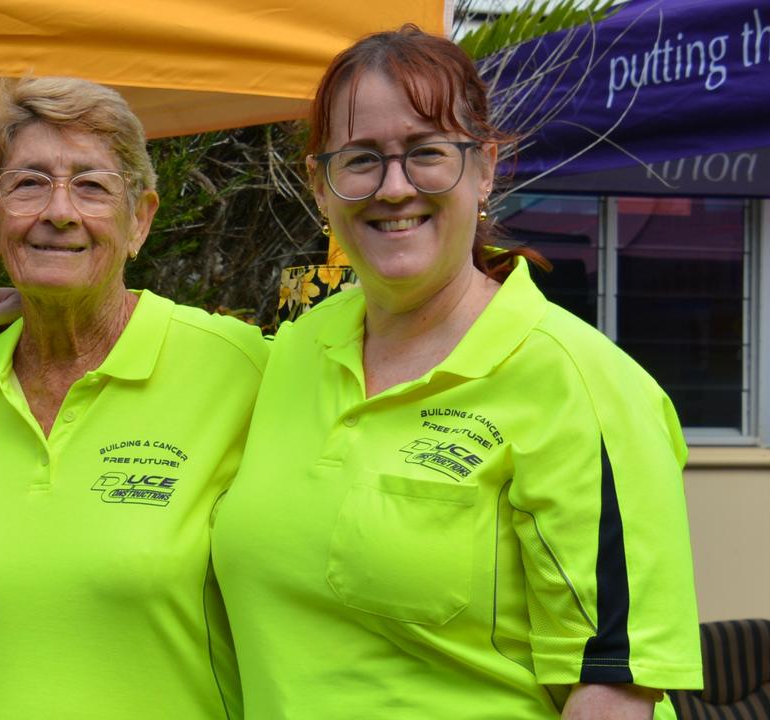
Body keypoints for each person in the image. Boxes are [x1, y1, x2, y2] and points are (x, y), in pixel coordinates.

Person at [209, 26, 703, 718]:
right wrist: (45, 307)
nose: (393, 187)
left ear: (485, 168)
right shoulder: (294, 350)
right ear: (320, 186)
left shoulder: (577, 383)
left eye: (426, 154)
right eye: (360, 161)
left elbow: (612, 691)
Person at [0, 76, 265, 720]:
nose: (59, 210)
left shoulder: (240, 366)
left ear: (141, 220)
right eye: (27, 183)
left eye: (92, 185)